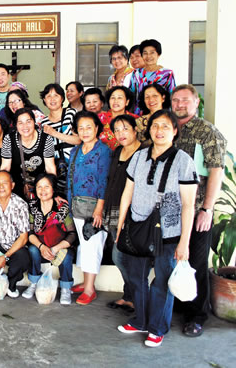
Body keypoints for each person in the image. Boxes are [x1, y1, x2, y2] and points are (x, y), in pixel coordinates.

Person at [116, 109, 198, 348]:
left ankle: (157, 328)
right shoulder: (139, 156)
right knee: (137, 278)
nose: (159, 130)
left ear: (174, 131)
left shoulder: (184, 161)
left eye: (165, 126)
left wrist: (184, 243)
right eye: (155, 126)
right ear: (149, 130)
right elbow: (127, 192)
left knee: (161, 281)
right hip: (139, 228)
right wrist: (121, 225)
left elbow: (189, 204)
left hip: (169, 233)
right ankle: (140, 320)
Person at [172, 84, 227, 338]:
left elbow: (216, 170)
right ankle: (179, 305)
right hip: (171, 209)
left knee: (196, 261)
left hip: (197, 211)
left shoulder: (207, 132)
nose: (179, 104)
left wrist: (207, 208)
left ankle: (197, 315)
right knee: (172, 259)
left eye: (185, 100)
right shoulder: (169, 129)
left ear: (196, 102)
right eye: (175, 100)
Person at [67, 111, 112, 305]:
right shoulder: (76, 150)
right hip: (77, 205)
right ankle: (86, 281)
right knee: (84, 245)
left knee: (93, 245)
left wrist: (99, 208)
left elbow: (104, 181)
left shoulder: (103, 151)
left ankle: (89, 289)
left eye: (89, 127)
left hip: (95, 206)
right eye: (81, 128)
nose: (84, 131)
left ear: (97, 129)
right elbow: (70, 178)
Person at [102, 115, 141, 313]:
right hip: (114, 209)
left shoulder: (144, 153)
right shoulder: (117, 151)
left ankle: (136, 296)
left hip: (134, 214)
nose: (121, 134)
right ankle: (129, 296)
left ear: (135, 130)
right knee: (121, 256)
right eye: (117, 130)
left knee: (122, 256)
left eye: (125, 129)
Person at [22, 174, 76, 304]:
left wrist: (56, 248)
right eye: (39, 187)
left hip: (59, 247)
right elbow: (29, 232)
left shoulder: (62, 208)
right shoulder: (33, 207)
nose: (43, 190)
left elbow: (72, 234)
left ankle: (65, 289)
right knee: (32, 250)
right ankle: (34, 283)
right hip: (41, 246)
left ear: (53, 189)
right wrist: (42, 247)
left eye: (47, 186)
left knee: (67, 256)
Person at [1, 108, 56, 199]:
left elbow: (50, 167)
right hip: (16, 184)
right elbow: (5, 167)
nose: (25, 126)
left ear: (34, 122)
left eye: (28, 121)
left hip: (40, 184)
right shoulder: (8, 139)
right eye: (20, 123)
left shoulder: (46, 139)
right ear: (16, 125)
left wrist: (54, 191)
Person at [40, 83, 82, 195]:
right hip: (55, 168)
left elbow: (78, 140)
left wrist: (54, 133)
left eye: (56, 95)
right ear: (44, 100)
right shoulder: (43, 122)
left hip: (75, 164)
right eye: (48, 96)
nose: (52, 99)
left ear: (62, 98)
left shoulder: (71, 114)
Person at [130, 39, 176, 113]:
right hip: (140, 115)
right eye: (145, 53)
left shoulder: (167, 74)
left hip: (160, 115)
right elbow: (132, 96)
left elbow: (172, 96)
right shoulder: (136, 73)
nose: (148, 56)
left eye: (152, 53)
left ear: (158, 54)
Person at [98, 86, 138, 150]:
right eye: (113, 98)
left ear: (127, 102)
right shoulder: (99, 119)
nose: (115, 101)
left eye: (120, 98)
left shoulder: (136, 120)